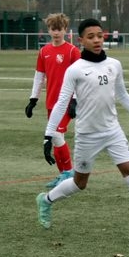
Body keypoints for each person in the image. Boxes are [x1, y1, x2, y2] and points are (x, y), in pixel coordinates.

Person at [35, 18, 129, 243]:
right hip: (87, 135)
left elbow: (123, 95)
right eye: (91, 37)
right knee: (80, 183)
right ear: (81, 40)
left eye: (100, 36)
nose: (97, 40)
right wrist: (48, 135)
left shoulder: (114, 65)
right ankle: (46, 200)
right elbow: (61, 103)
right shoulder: (75, 70)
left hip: (112, 131)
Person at [26, 13, 80, 188]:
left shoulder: (72, 51)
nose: (56, 32)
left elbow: (80, 77)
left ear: (65, 30)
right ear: (48, 30)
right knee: (57, 137)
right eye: (53, 29)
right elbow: (39, 76)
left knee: (55, 135)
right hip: (51, 102)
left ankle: (69, 173)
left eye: (59, 29)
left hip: (66, 102)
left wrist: (75, 99)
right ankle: (64, 175)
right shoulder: (44, 51)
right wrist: (33, 99)